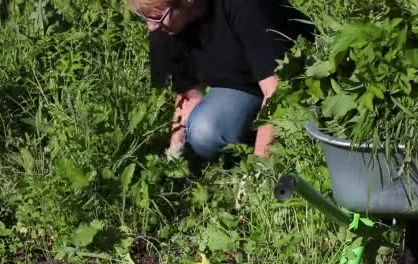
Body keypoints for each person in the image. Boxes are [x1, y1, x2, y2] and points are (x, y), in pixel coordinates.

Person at [127, 0, 315, 161]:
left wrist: (260, 171)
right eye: (144, 16)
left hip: (298, 79)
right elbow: (188, 95)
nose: (151, 27)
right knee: (204, 132)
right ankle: (257, 134)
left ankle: (288, 139)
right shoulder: (164, 23)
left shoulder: (245, 6)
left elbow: (277, 90)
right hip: (245, 88)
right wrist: (173, 157)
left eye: (157, 17)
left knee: (307, 118)